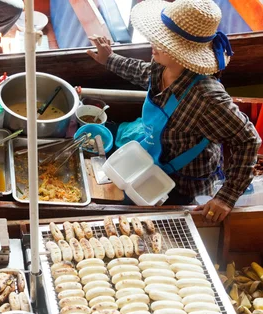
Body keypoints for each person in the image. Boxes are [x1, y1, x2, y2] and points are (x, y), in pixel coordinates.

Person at [87, 0, 260, 223]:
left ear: (184, 52)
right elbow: (144, 73)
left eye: (163, 41)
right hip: (154, 156)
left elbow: (248, 140)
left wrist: (226, 197)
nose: (153, 43)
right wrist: (109, 59)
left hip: (185, 183)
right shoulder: (162, 64)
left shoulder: (207, 97)